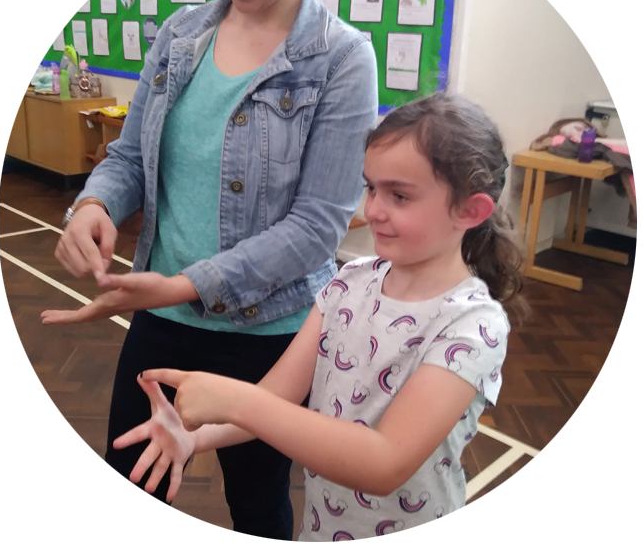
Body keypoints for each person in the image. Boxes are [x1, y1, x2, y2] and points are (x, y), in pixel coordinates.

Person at [41, 0, 378, 544]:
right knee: (132, 473)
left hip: (266, 336)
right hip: (160, 325)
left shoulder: (341, 57)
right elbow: (130, 158)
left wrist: (179, 285)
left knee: (258, 505)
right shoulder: (180, 33)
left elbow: (315, 230)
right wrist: (92, 207)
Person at [113, 92, 527, 542]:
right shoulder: (348, 282)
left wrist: (236, 400)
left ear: (471, 209)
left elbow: (384, 463)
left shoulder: (471, 326)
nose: (373, 210)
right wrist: (196, 437)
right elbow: (278, 394)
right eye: (371, 188)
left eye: (400, 195)